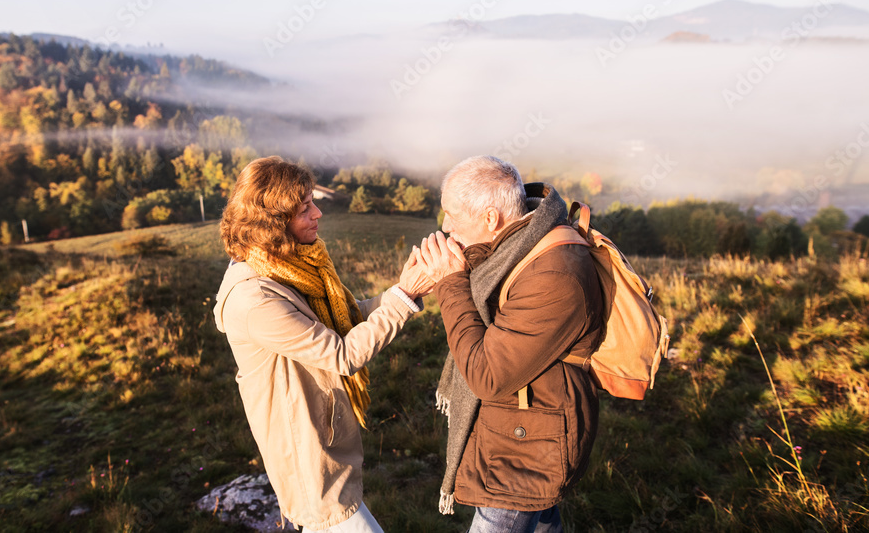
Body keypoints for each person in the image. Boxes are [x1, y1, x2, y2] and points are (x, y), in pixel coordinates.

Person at [213, 156, 433, 532]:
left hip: (325, 443)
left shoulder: (284, 266)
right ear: (273, 224)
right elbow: (341, 354)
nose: (317, 214)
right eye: (304, 209)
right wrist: (405, 297)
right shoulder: (255, 300)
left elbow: (345, 317)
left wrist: (403, 290)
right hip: (308, 461)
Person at [417, 155, 604, 533]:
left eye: (452, 215)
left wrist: (450, 282)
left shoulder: (555, 274)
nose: (446, 226)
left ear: (490, 218)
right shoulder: (520, 243)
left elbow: (487, 375)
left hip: (525, 452)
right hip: (520, 427)